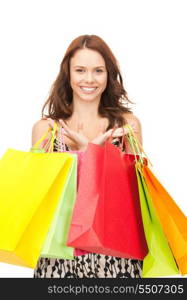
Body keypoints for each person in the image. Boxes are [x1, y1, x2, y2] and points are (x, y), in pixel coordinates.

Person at [32, 34, 143, 278]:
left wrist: (95, 156)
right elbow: (41, 204)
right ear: (68, 74)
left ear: (108, 74)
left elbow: (137, 202)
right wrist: (84, 157)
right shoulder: (47, 130)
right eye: (80, 70)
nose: (89, 79)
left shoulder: (127, 126)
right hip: (60, 255)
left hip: (116, 255)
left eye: (98, 71)